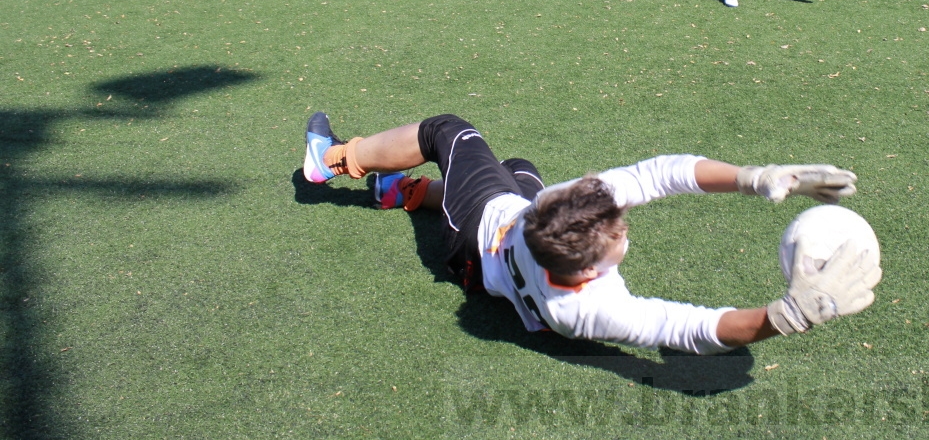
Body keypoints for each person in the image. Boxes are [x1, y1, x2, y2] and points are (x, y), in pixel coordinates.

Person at [301, 111, 881, 355]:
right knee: (454, 136)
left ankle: (386, 184)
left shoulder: (562, 214)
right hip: (483, 238)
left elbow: (662, 175)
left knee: (493, 155)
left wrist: (759, 178)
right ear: (590, 269)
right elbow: (691, 329)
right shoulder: (591, 309)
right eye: (617, 229)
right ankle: (332, 160)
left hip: (487, 228)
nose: (623, 223)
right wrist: (789, 315)